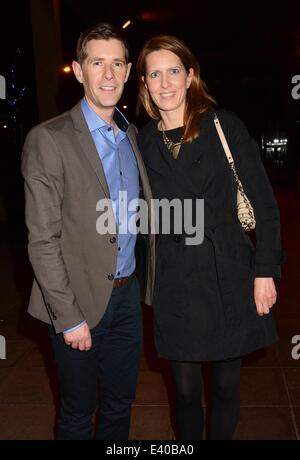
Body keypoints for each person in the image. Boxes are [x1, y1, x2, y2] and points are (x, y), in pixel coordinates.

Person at [136, 35, 283, 440]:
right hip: (175, 280)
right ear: (144, 83)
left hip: (227, 273)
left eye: (173, 72)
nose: (165, 83)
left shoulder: (223, 126)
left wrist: (265, 271)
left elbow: (265, 205)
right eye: (154, 74)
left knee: (224, 387)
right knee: (184, 393)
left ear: (190, 77)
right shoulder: (142, 141)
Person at [21, 22, 154, 440]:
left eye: (117, 64)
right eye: (98, 63)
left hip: (128, 298)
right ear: (79, 71)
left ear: (130, 71)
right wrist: (69, 317)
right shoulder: (49, 138)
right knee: (79, 413)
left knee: (120, 403)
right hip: (76, 302)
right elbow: (43, 240)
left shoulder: (132, 136)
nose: (109, 74)